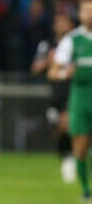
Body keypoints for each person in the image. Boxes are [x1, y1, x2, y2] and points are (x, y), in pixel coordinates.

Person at [49, 0, 92, 203]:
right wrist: (66, 72)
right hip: (81, 97)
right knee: (80, 146)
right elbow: (53, 72)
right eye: (86, 10)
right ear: (80, 14)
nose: (89, 14)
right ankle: (86, 190)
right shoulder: (72, 40)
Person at [30, 12, 75, 183]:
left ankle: (71, 159)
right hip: (54, 93)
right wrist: (48, 61)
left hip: (72, 91)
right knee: (58, 130)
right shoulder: (46, 45)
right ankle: (66, 157)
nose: (61, 25)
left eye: (65, 22)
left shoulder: (76, 44)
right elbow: (35, 69)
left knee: (66, 124)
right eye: (58, 22)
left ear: (71, 25)